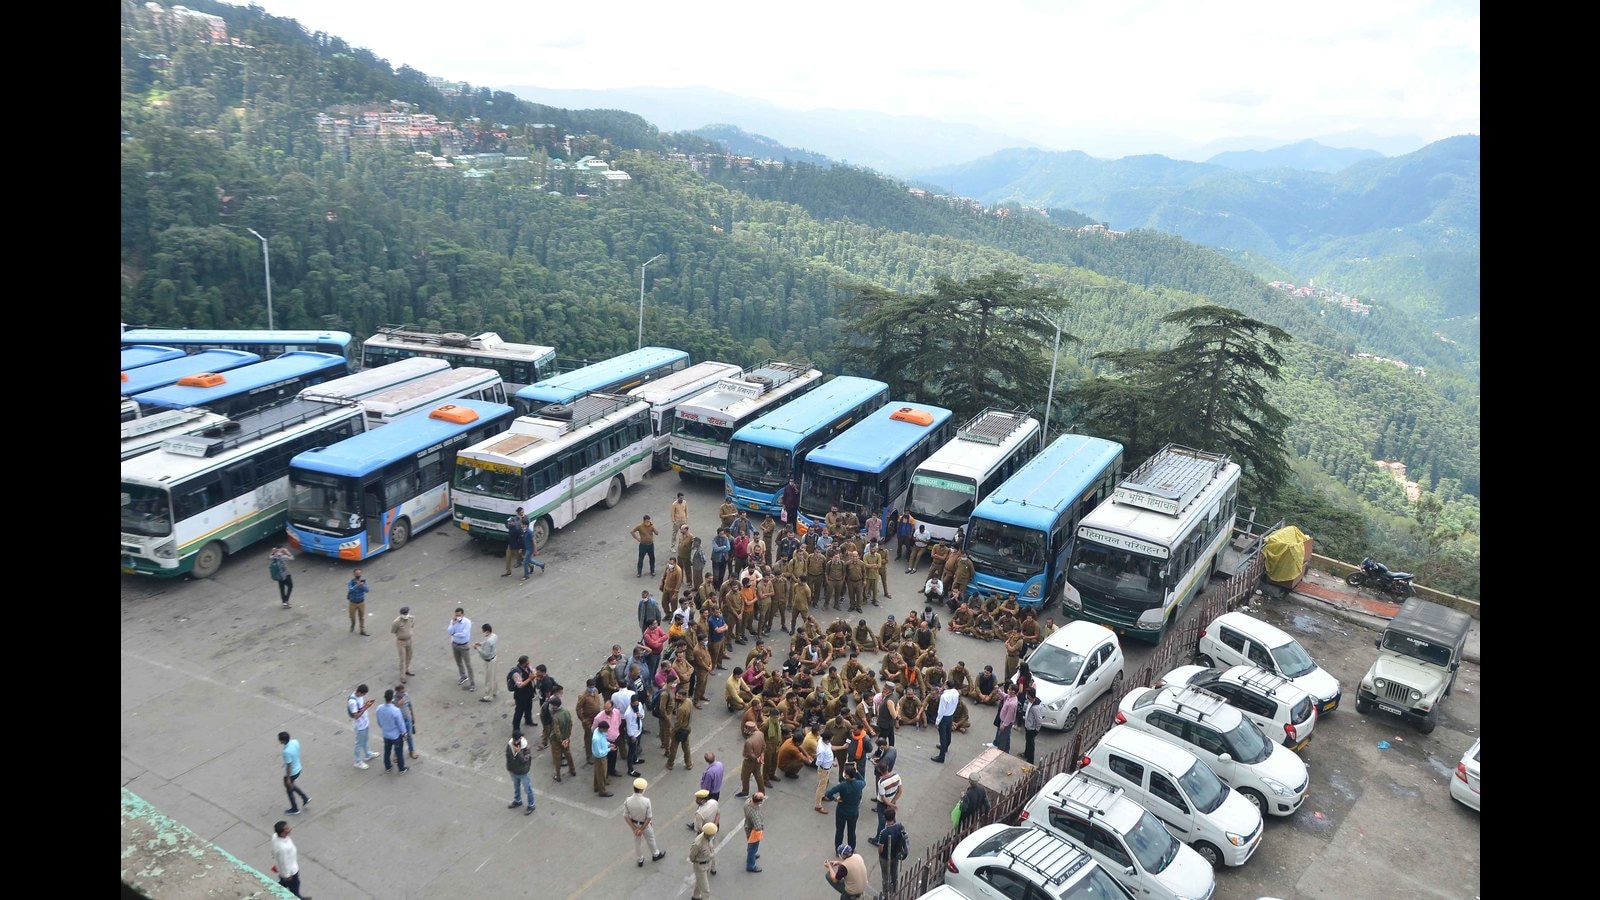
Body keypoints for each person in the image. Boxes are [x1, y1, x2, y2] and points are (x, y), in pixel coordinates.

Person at [624, 777, 667, 866]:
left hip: (634, 824)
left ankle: (640, 859)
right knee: (651, 839)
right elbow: (649, 817)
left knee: (637, 842)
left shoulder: (628, 800)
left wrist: (635, 828)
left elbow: (626, 816)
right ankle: (655, 854)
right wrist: (642, 829)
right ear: (642, 790)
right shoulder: (646, 801)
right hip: (645, 825)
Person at [824, 763, 866, 850]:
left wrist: (836, 799)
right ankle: (851, 850)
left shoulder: (842, 785)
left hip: (842, 811)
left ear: (846, 775)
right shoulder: (859, 784)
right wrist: (856, 772)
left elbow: (828, 793)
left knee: (839, 831)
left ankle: (838, 849)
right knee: (851, 832)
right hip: (853, 811)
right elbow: (863, 781)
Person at [875, 808, 907, 900]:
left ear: (885, 818)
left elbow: (880, 848)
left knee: (885, 877)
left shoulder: (884, 832)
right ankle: (895, 890)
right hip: (895, 856)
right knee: (894, 873)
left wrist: (880, 855)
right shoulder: (899, 827)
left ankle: (886, 895)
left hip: (885, 858)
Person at [871, 752, 902, 841]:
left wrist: (889, 804)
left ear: (880, 771)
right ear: (888, 768)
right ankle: (895, 834)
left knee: (882, 821)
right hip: (892, 800)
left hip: (883, 804)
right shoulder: (897, 776)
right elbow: (900, 791)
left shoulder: (881, 782)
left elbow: (883, 797)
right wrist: (892, 803)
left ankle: (878, 839)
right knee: (892, 819)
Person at [376, 688, 409, 774]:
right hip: (396, 735)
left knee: (387, 751)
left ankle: (388, 767)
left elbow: (379, 722)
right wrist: (405, 733)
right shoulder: (395, 710)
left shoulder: (379, 708)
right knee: (399, 753)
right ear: (392, 699)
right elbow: (400, 724)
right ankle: (401, 769)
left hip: (386, 734)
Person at [271, 820, 306, 898]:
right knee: (295, 888)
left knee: (284, 882)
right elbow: (283, 862)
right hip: (291, 871)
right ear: (282, 833)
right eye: (287, 828)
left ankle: (276, 887)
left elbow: (274, 851)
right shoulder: (282, 848)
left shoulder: (275, 836)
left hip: (284, 870)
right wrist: (287, 875)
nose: (290, 829)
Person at [278, 731, 310, 815]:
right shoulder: (295, 742)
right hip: (298, 768)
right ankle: (304, 798)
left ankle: (295, 808)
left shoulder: (286, 752)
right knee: (291, 786)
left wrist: (288, 778)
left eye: (280, 740)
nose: (279, 741)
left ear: (283, 741)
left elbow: (289, 765)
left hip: (292, 773)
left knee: (289, 790)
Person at [691, 789, 721, 875]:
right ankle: (713, 868)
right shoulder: (713, 802)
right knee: (712, 849)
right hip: (712, 831)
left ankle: (705, 868)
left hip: (705, 835)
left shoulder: (699, 813)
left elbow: (699, 828)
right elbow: (718, 814)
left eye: (697, 799)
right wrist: (714, 827)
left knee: (703, 852)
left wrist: (704, 836)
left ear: (702, 800)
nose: (696, 800)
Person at [347, 684, 377, 769]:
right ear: (359, 692)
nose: (363, 696)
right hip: (359, 725)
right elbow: (356, 715)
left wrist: (365, 704)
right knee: (359, 743)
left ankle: (368, 754)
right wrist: (367, 707)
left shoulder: (359, 696)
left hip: (365, 723)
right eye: (363, 694)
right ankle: (357, 761)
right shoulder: (352, 702)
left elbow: (360, 707)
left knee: (366, 739)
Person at [549, 696, 578, 781]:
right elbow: (570, 724)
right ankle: (572, 770)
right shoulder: (566, 712)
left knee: (557, 758)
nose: (551, 706)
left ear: (555, 706)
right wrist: (567, 737)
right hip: (566, 738)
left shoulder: (556, 717)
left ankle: (558, 775)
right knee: (568, 754)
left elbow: (556, 731)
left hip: (557, 740)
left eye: (552, 705)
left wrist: (561, 740)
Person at [506, 730, 535, 814]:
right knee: (516, 786)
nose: (517, 741)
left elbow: (524, 760)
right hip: (514, 770)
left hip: (523, 772)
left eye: (518, 739)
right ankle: (517, 800)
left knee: (527, 789)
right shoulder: (510, 744)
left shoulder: (525, 747)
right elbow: (508, 756)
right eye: (515, 740)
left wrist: (519, 752)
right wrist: (509, 768)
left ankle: (531, 805)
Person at [930, 684, 959, 763]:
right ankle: (945, 747)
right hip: (950, 715)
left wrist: (937, 721)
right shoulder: (956, 692)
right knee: (948, 733)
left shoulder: (944, 696)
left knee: (942, 736)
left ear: (946, 685)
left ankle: (941, 756)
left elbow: (941, 710)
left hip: (944, 717)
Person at [736, 720, 765, 797]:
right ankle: (762, 792)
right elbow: (764, 746)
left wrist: (756, 758)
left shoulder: (749, 742)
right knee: (758, 776)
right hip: (758, 759)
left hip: (749, 762)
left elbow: (750, 754)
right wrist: (761, 756)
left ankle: (745, 791)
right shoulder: (760, 734)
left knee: (745, 777)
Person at [689, 822, 717, 900]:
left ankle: (695, 896)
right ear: (708, 834)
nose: (714, 835)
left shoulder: (709, 838)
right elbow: (692, 856)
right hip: (700, 866)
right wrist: (697, 862)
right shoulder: (698, 843)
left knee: (700, 882)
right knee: (706, 890)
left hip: (708, 863)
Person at [449, 608, 475, 691]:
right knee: (458, 662)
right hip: (455, 644)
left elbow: (464, 634)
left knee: (468, 665)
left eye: (459, 615)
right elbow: (449, 631)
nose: (457, 617)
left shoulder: (467, 622)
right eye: (456, 615)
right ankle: (463, 676)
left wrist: (454, 634)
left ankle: (472, 683)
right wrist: (452, 624)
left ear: (463, 615)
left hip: (464, 645)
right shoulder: (453, 621)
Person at [510, 656, 537, 731]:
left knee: (529, 707)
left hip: (529, 692)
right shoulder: (516, 673)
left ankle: (528, 720)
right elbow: (520, 685)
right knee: (519, 711)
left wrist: (533, 673)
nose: (529, 663)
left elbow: (534, 671)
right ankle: (516, 728)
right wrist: (530, 678)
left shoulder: (528, 666)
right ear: (524, 663)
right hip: (521, 695)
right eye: (527, 662)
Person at [390, 606, 416, 682]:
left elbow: (412, 626)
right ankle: (402, 676)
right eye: (404, 613)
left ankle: (407, 669)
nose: (405, 615)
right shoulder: (396, 622)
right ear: (401, 614)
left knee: (409, 656)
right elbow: (393, 631)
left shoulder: (411, 618)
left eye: (406, 613)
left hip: (409, 640)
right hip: (401, 642)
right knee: (402, 659)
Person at [475, 623, 499, 703]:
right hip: (494, 658)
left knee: (488, 679)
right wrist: (481, 644)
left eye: (483, 631)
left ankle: (489, 696)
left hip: (489, 661)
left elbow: (485, 653)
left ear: (487, 631)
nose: (483, 633)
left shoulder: (488, 641)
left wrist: (478, 648)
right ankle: (495, 691)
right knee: (494, 677)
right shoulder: (494, 636)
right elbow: (486, 643)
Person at [393, 683, 418, 760]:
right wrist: (397, 704)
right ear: (397, 692)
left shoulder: (406, 696)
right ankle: (396, 754)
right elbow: (392, 711)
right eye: (401, 692)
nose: (403, 694)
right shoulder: (393, 699)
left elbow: (410, 705)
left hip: (408, 719)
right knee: (399, 738)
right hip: (399, 722)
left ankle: (412, 751)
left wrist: (413, 716)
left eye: (403, 692)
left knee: (409, 736)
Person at [591, 722, 615, 797]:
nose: (607, 731)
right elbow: (599, 753)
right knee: (602, 774)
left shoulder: (599, 732)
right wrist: (609, 749)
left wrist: (608, 744)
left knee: (597, 772)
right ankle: (602, 791)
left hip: (601, 757)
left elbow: (604, 740)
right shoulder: (596, 739)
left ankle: (596, 786)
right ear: (601, 728)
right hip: (600, 758)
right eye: (606, 730)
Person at [992, 683, 1017, 752]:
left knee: (1002, 740)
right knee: (1007, 738)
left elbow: (1009, 716)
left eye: (1009, 689)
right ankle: (1006, 751)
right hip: (1004, 721)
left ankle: (1000, 753)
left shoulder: (1012, 704)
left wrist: (1003, 725)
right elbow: (1004, 695)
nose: (1008, 690)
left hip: (1006, 723)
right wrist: (998, 690)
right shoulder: (1010, 697)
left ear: (1013, 691)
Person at [1022, 686, 1043, 763]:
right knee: (1027, 741)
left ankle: (1030, 760)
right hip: (1028, 726)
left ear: (1030, 695)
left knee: (1031, 745)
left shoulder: (1036, 708)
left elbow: (1039, 720)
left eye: (1027, 694)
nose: (1026, 696)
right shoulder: (1031, 702)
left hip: (1031, 729)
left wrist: (1036, 730)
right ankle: (1026, 754)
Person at [346, 568, 370, 635]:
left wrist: (362, 585)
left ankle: (362, 630)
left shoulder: (364, 582)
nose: (358, 575)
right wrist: (357, 585)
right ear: (354, 574)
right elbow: (350, 590)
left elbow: (367, 590)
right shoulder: (351, 582)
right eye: (357, 574)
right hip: (352, 603)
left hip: (361, 602)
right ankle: (353, 624)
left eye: (359, 573)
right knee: (352, 617)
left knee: (361, 617)